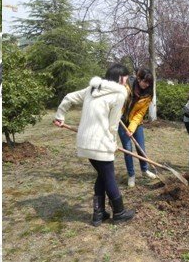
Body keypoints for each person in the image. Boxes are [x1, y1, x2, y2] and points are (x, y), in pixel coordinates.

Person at [54, 63, 135, 226]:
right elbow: (113, 125)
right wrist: (112, 144)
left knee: (102, 175)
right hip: (100, 143)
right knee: (109, 176)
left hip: (84, 142)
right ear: (120, 77)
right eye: (126, 77)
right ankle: (119, 212)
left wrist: (60, 116)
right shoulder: (120, 93)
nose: (127, 81)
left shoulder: (92, 89)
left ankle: (99, 214)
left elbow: (69, 97)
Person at [118, 68, 158, 187]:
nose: (147, 85)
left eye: (149, 83)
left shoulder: (148, 94)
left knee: (141, 148)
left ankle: (144, 170)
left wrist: (131, 128)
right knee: (128, 149)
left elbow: (140, 113)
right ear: (138, 78)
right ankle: (131, 175)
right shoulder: (127, 85)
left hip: (136, 122)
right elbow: (118, 101)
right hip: (122, 121)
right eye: (145, 81)